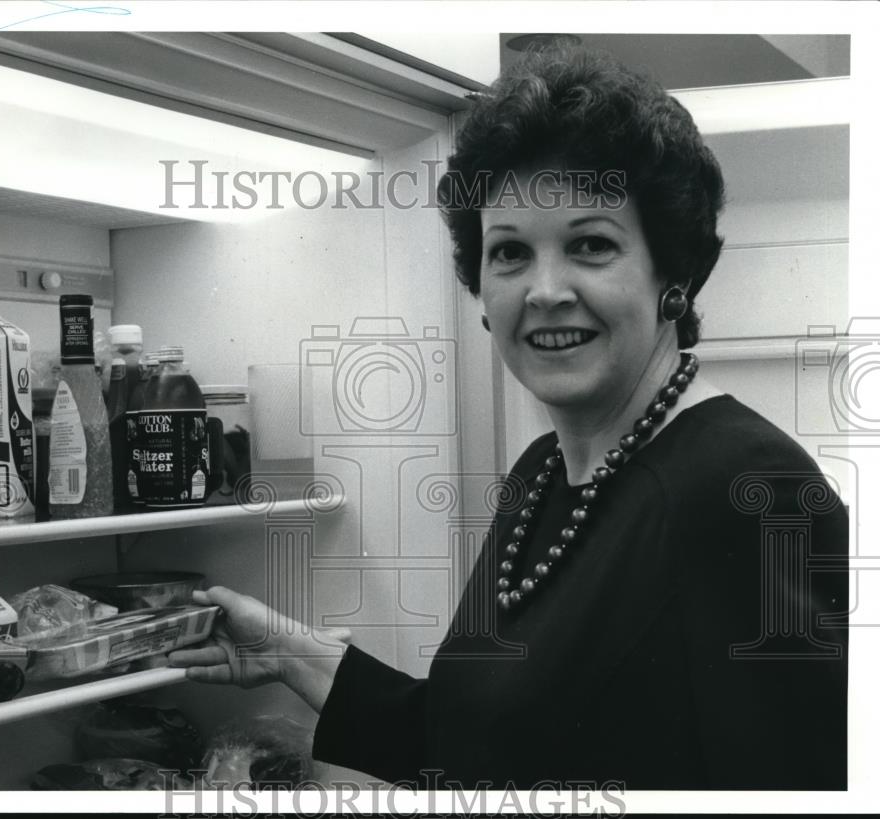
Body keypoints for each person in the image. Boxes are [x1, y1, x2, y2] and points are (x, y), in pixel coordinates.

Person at [169, 46, 848, 790]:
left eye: (591, 245)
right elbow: (482, 737)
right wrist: (289, 654)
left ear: (673, 275)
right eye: (511, 253)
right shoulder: (544, 473)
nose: (545, 289)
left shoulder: (747, 487)